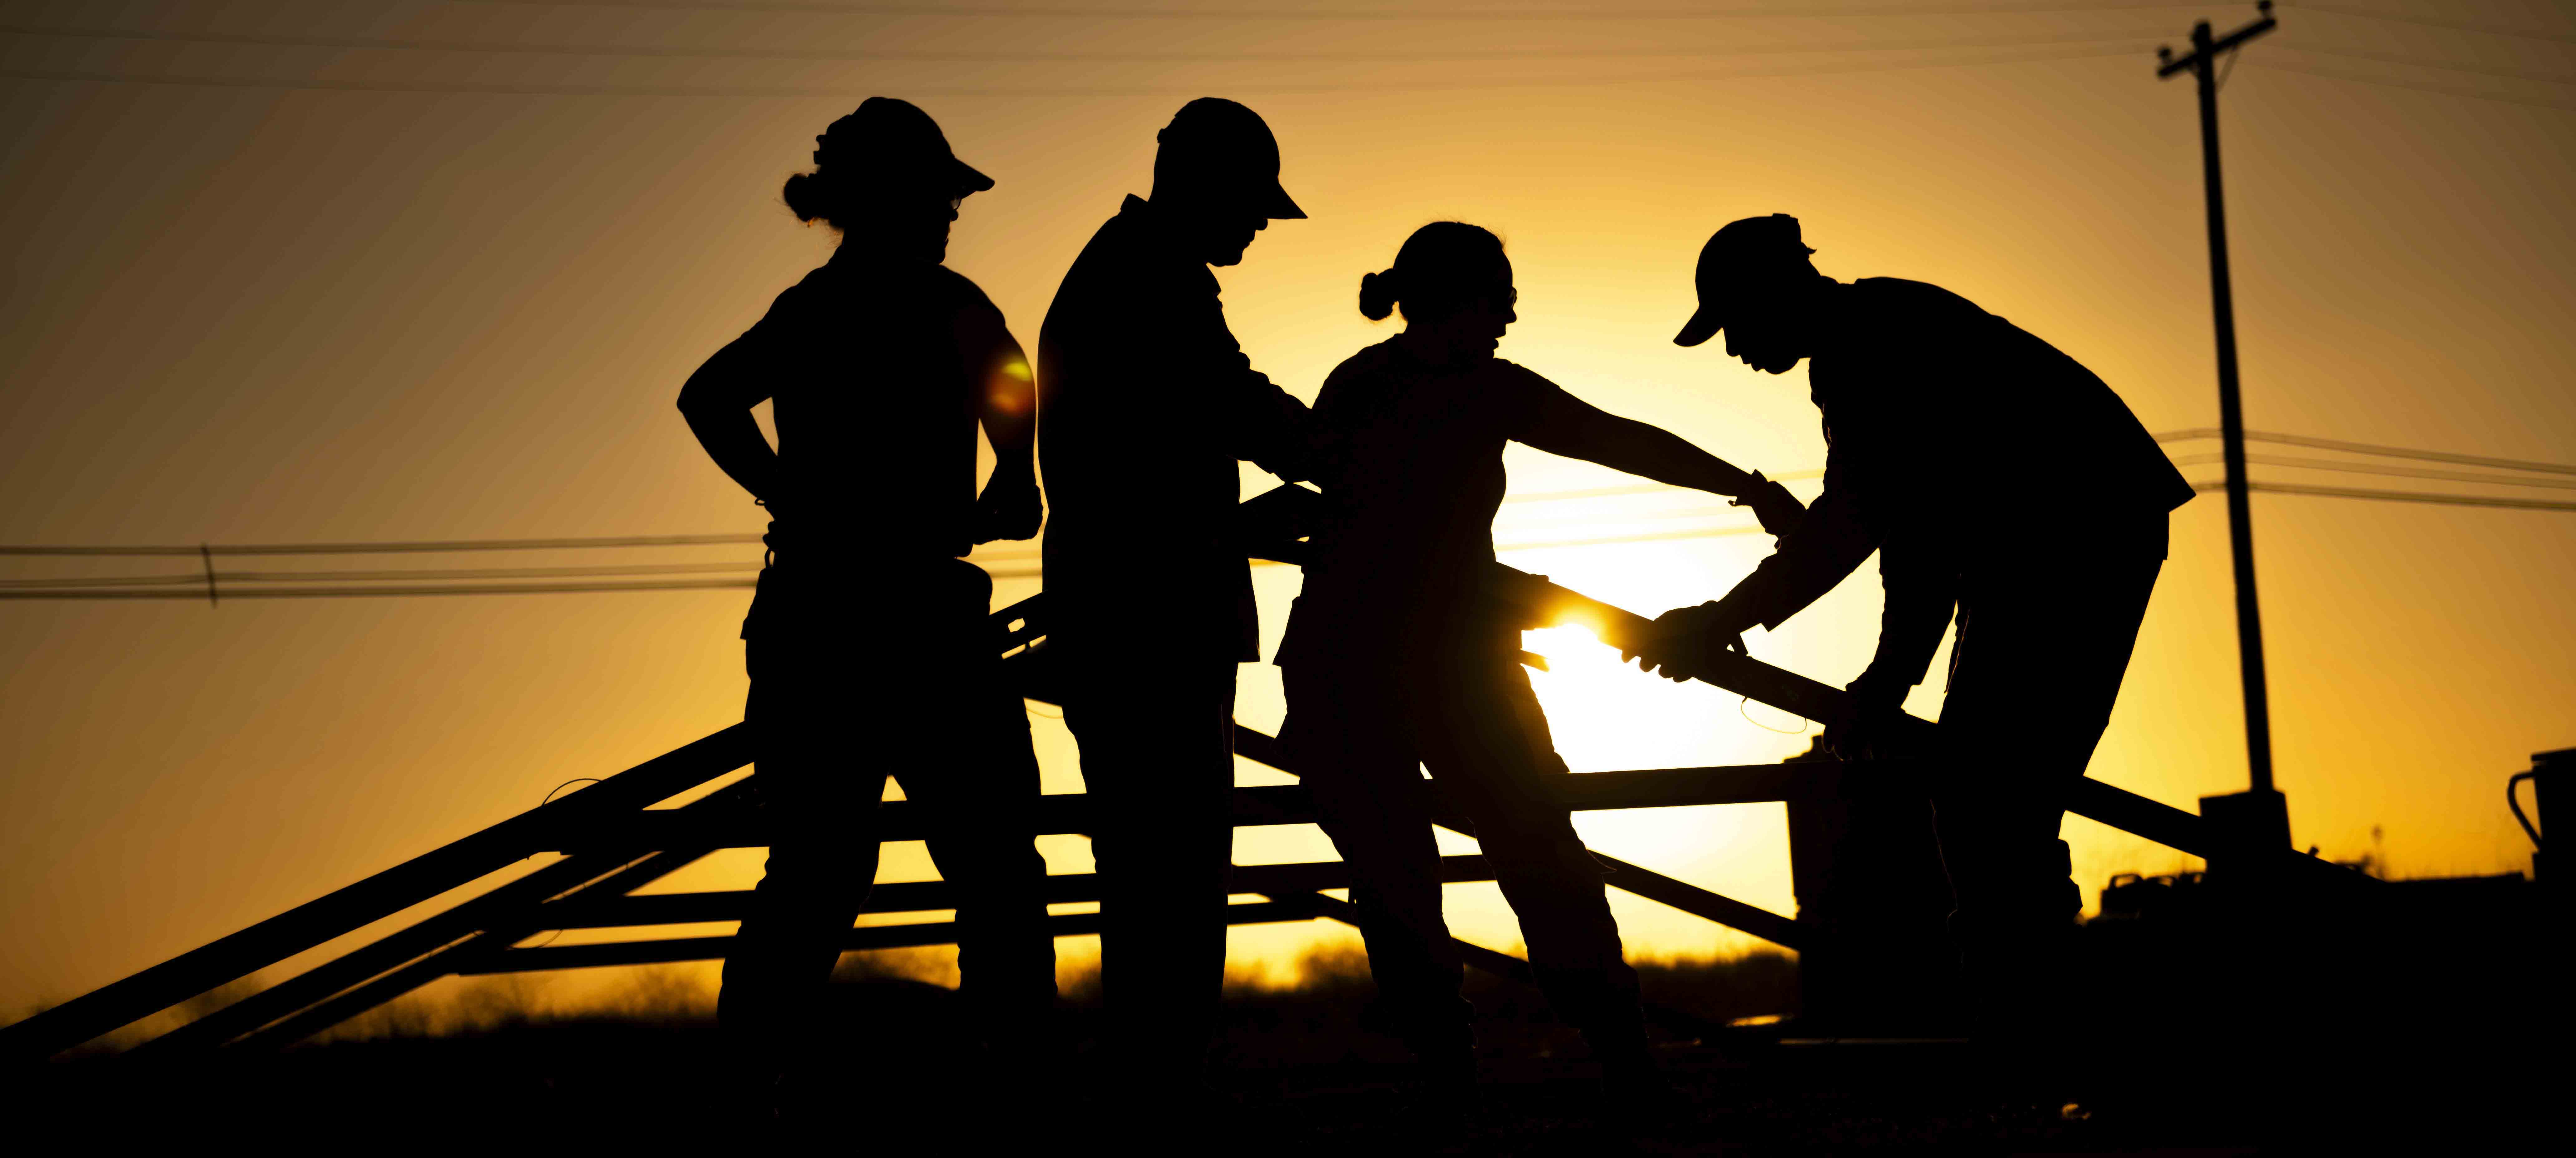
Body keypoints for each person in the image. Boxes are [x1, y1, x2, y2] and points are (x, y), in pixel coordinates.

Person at [1628, 213, 2194, 1056]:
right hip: (2036, 547)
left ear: (1776, 295)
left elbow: (1873, 529)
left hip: (2075, 536)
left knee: (1984, 795)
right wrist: (1880, 675)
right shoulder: (1871, 335)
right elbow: (1901, 533)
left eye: (1735, 326)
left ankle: (2038, 1038)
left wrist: (1731, 624)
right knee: (1990, 797)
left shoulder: (1872, 349)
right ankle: (2038, 1032)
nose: (1733, 349)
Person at [1279, 222, 1805, 1089]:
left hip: (1416, 659)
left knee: (1482, 862)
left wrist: (1738, 483)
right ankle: (1521, 1069)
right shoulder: (1441, 390)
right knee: (1456, 867)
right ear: (1456, 301)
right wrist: (1743, 486)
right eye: (1501, 294)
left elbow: (1612, 436)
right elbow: (1610, 438)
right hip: (1382, 665)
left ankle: (1583, 1061)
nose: (1514, 311)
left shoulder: (1410, 386)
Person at [676, 97, 1055, 1108]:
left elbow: (707, 396)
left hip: (817, 621)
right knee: (991, 873)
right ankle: (1017, 1086)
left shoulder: (810, 310)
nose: (951, 215)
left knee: (818, 877)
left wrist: (786, 491)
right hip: (912, 624)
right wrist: (1015, 479)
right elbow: (1011, 380)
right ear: (887, 202)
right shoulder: (941, 300)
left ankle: (748, 1089)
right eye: (938, 197)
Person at [1033, 98, 1315, 1093]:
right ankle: (1159, 1093)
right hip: (1149, 617)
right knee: (1175, 873)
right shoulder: (1149, 277)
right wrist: (1356, 451)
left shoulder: (1134, 268)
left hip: (1129, 610)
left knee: (1154, 874)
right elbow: (1225, 404)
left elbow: (1181, 425)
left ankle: (1152, 1087)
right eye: (1249, 207)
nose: (1253, 229)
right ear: (1205, 186)